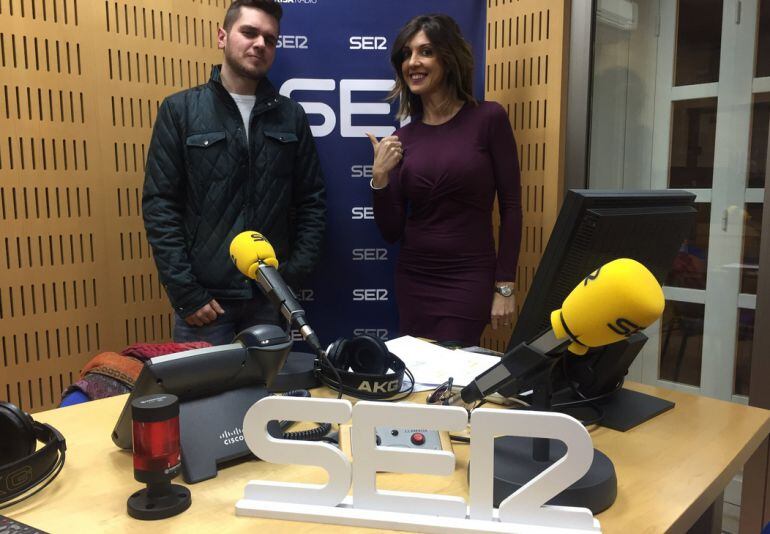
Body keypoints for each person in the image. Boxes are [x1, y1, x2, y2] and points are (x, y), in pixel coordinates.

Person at [143, 0, 326, 345]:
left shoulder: (292, 117)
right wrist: (186, 292)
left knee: (268, 399)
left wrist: (287, 280)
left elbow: (312, 201)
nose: (260, 44)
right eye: (249, 32)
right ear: (222, 37)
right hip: (205, 306)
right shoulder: (179, 110)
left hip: (269, 303)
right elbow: (160, 206)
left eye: (270, 39)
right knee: (206, 399)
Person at [368, 14, 522, 347]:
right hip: (414, 279)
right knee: (420, 379)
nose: (413, 62)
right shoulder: (402, 138)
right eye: (407, 54)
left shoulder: (488, 118)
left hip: (468, 279)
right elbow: (391, 231)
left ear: (448, 58)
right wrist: (379, 177)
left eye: (425, 52)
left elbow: (511, 207)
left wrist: (505, 286)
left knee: (448, 380)